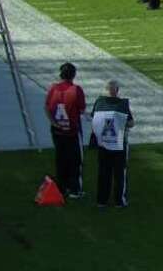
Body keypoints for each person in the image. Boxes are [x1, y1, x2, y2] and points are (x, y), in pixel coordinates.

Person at [87, 79, 134, 208]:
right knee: (120, 174)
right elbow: (130, 123)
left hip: (103, 143)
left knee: (103, 172)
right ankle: (119, 201)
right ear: (117, 91)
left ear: (106, 90)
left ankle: (102, 200)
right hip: (119, 143)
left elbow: (94, 119)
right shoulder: (122, 104)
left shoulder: (99, 102)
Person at [44, 62, 87, 198]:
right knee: (75, 161)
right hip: (72, 131)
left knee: (61, 159)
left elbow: (46, 107)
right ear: (73, 75)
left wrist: (54, 123)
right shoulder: (76, 90)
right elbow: (81, 109)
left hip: (57, 131)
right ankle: (75, 189)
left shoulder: (53, 88)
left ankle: (62, 188)